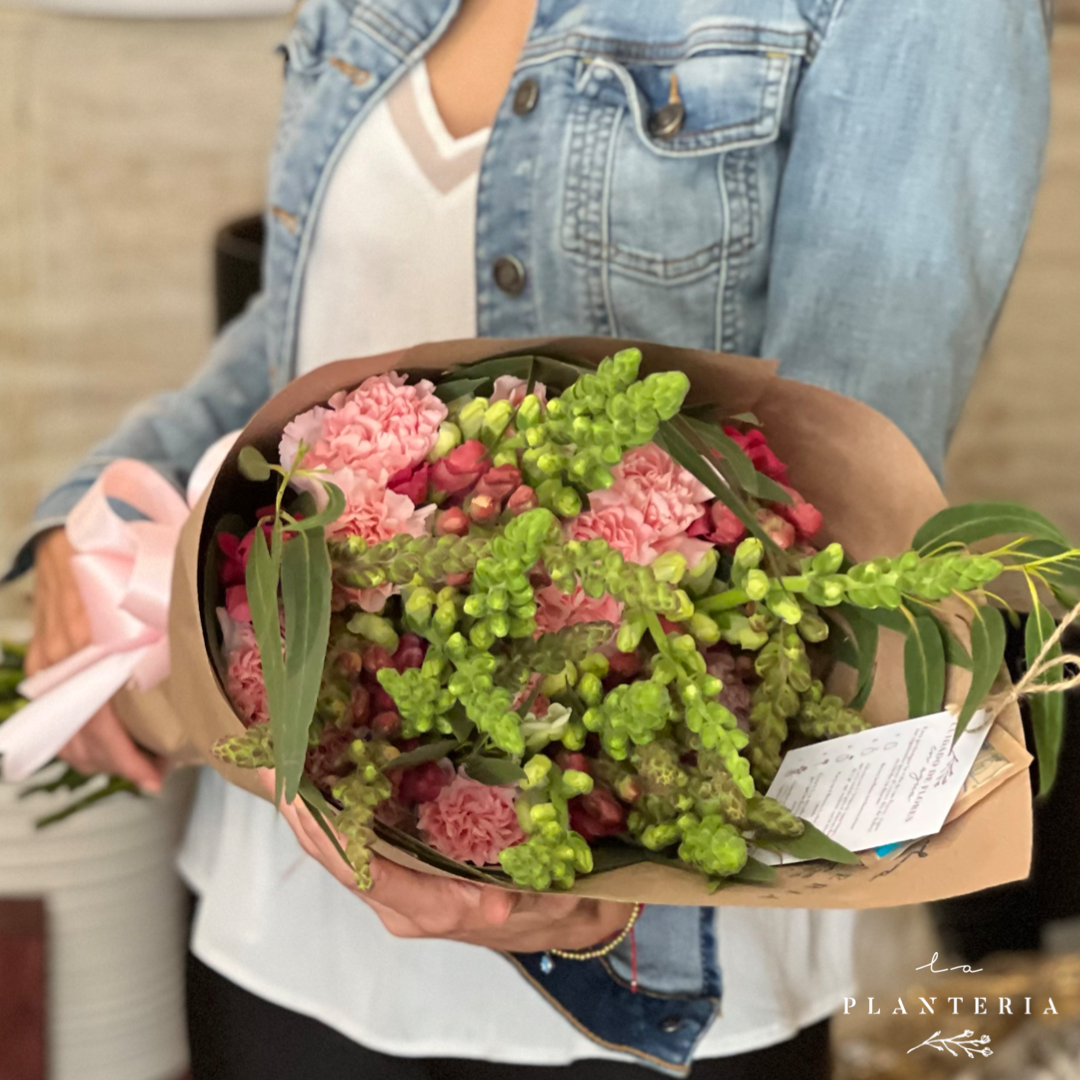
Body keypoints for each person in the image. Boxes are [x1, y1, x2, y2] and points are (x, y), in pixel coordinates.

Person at [20, 0, 1050, 1076]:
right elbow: (309, 310)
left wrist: (601, 869)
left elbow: (843, 502)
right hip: (279, 913)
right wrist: (97, 514)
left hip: (629, 939)